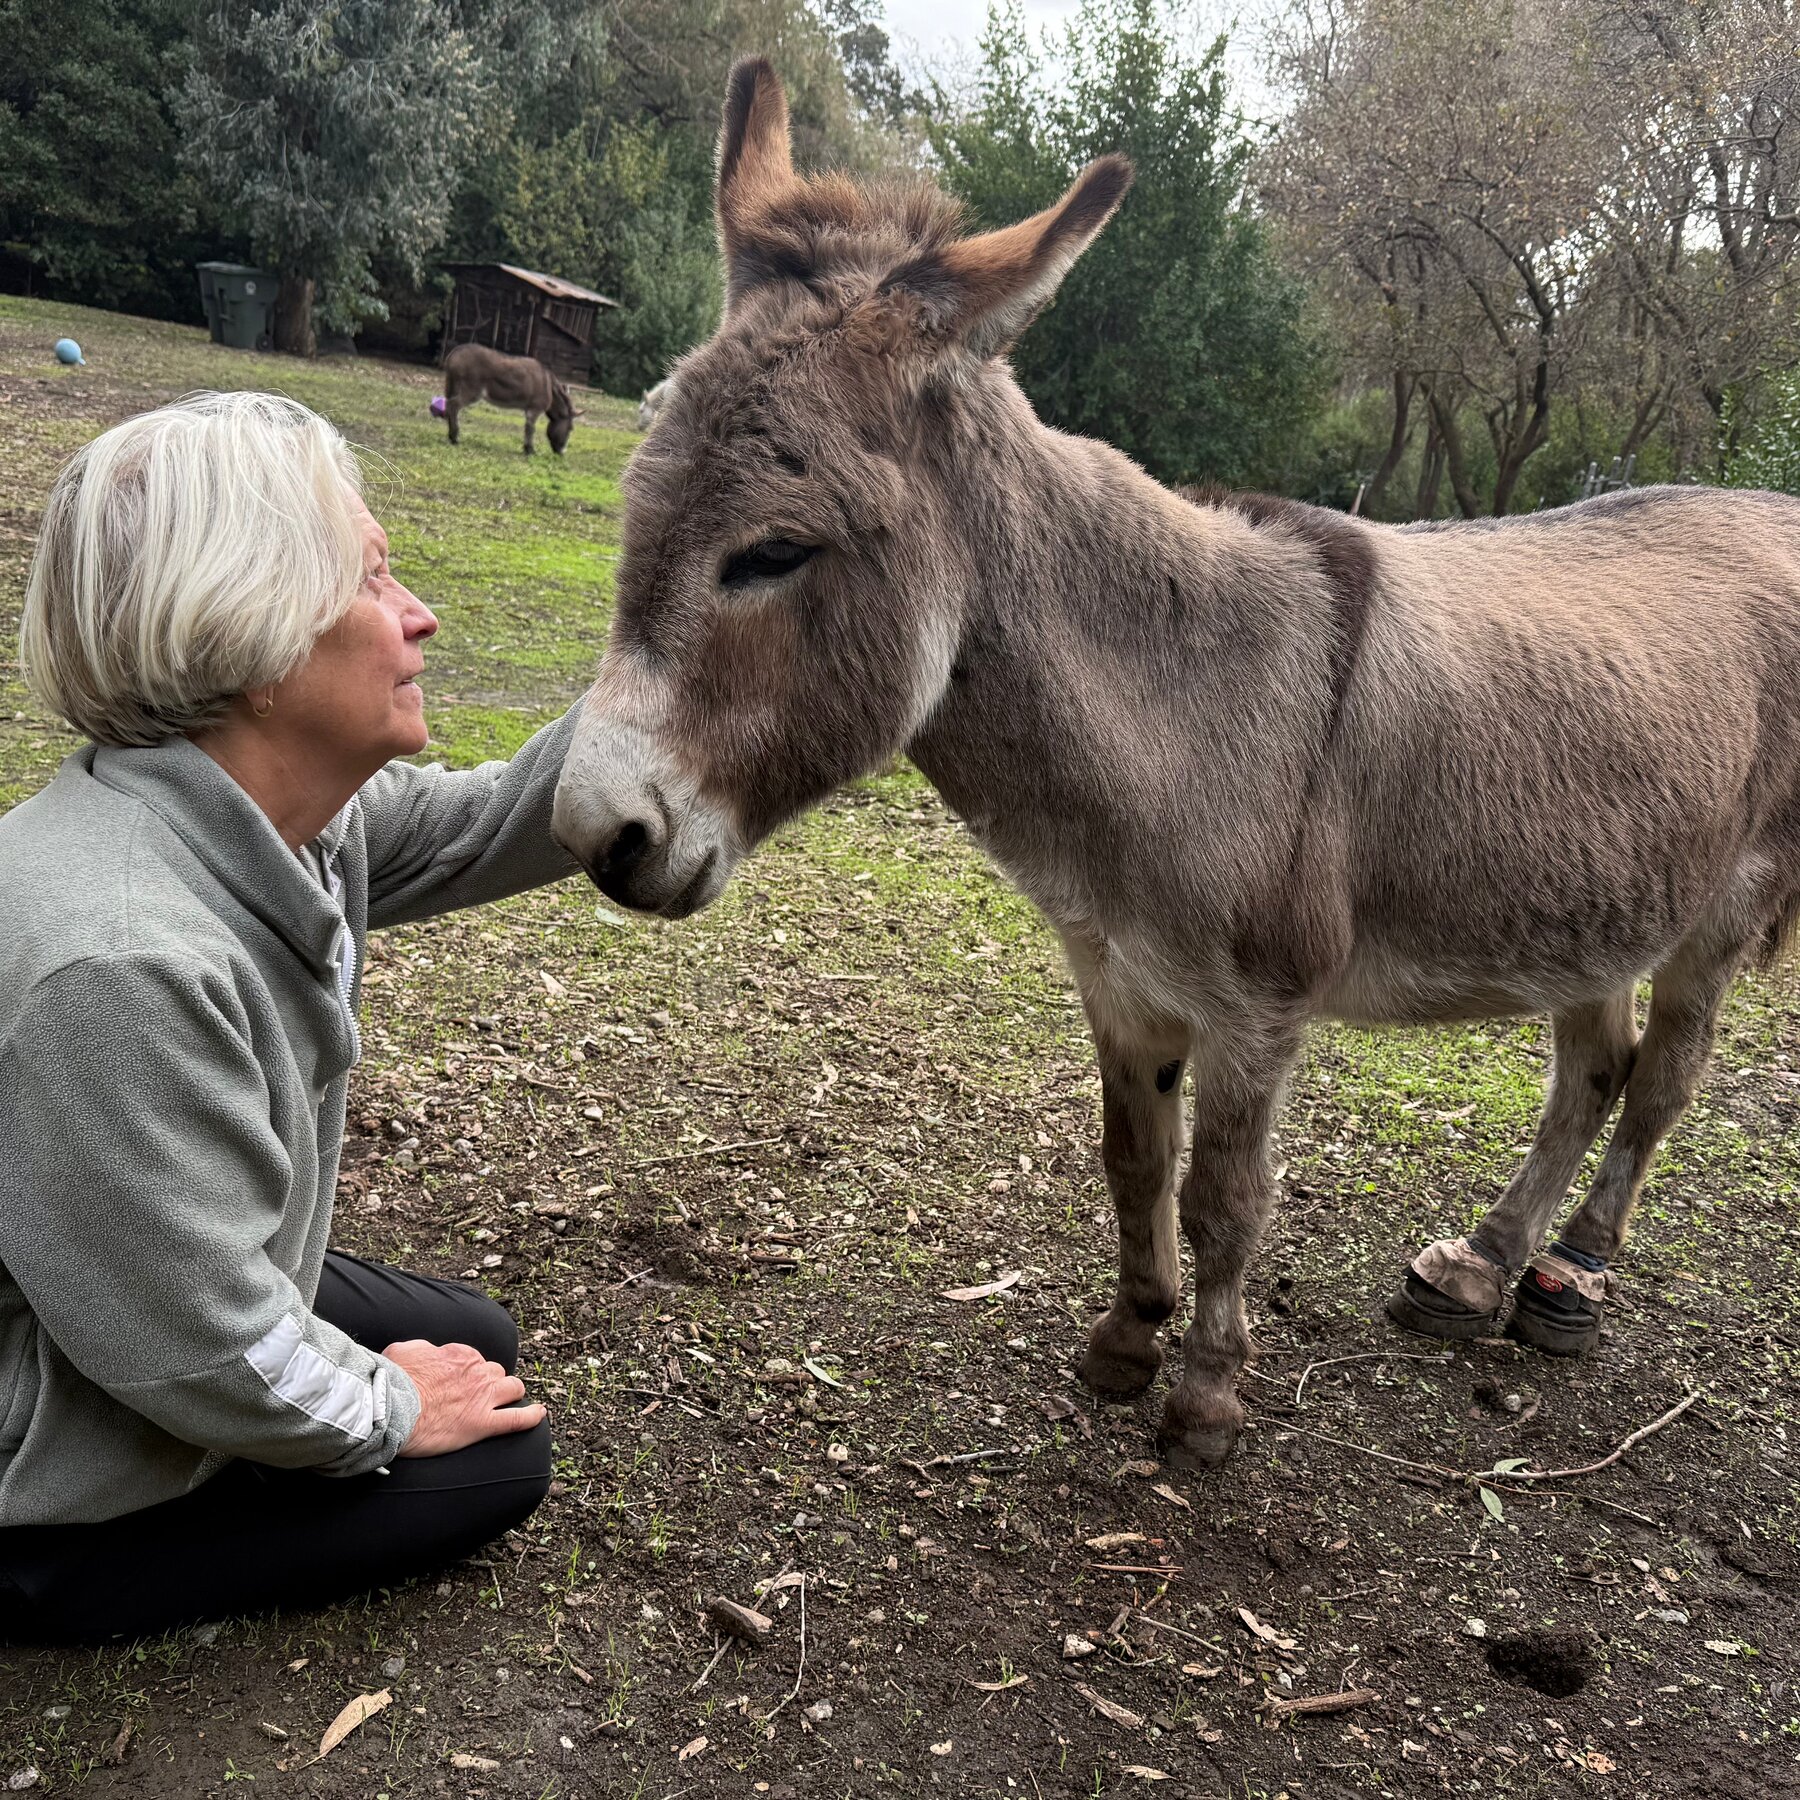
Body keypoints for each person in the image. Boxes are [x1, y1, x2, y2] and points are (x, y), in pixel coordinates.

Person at [0, 391, 583, 1642]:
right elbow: (200, 1349)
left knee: (475, 1338)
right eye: (372, 579)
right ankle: (56, 1561)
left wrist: (707, 680)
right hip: (47, 1423)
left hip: (123, 1284)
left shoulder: (272, 823)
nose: (420, 614)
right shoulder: (115, 963)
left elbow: (500, 819)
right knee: (493, 1463)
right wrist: (382, 1410)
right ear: (258, 643)